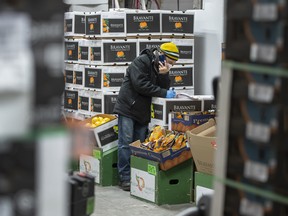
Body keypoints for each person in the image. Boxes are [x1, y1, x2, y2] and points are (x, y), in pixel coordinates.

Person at [113, 42, 179, 191]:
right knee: (125, 143)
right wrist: (163, 93)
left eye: (172, 65)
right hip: (128, 107)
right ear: (161, 55)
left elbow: (164, 88)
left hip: (142, 111)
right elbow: (140, 84)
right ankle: (124, 178)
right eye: (169, 62)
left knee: (140, 145)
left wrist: (164, 75)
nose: (170, 66)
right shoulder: (141, 61)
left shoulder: (160, 67)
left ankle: (137, 175)